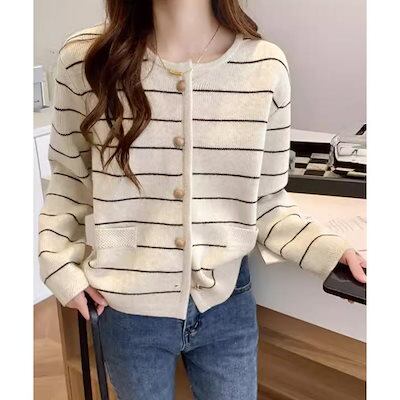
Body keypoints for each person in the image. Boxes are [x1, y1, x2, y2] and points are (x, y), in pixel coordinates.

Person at [38, 1, 367, 399]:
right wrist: (59, 266)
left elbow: (267, 203)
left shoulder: (264, 68)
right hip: (125, 308)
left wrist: (331, 252)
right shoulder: (86, 60)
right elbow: (68, 182)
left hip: (226, 304)